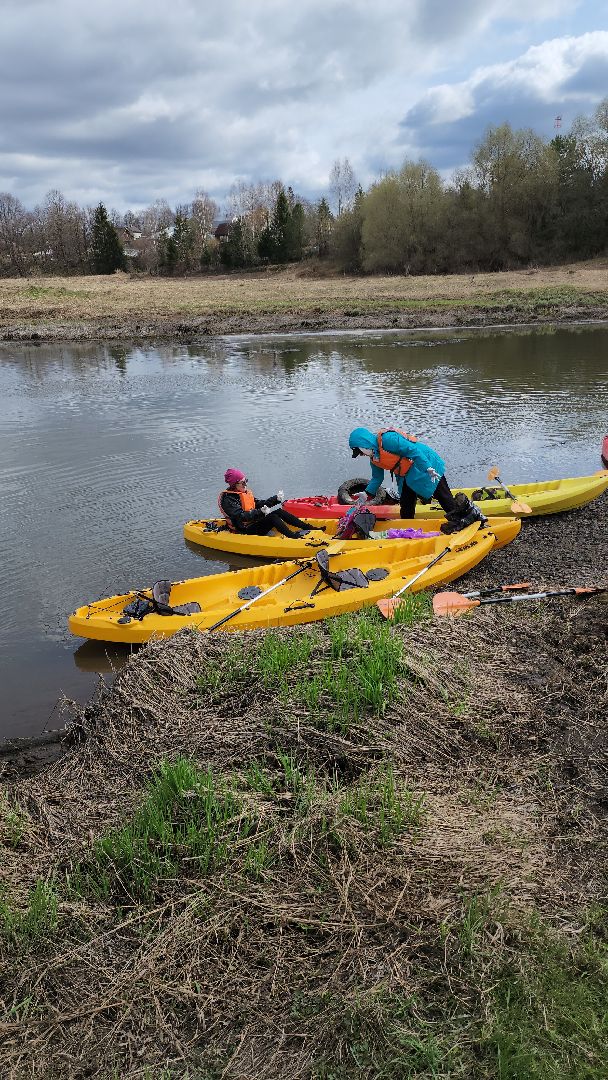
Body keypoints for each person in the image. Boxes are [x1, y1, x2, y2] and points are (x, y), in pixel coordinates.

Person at [347, 427, 487, 531]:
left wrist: (428, 468)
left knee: (443, 496)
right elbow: (377, 478)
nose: (360, 455)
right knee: (406, 503)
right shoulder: (374, 458)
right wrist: (366, 494)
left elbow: (413, 451)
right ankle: (408, 527)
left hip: (424, 463)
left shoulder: (388, 440)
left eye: (359, 451)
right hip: (407, 474)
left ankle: (468, 522)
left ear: (364, 443)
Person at [219, 469, 317, 538]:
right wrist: (260, 512)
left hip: (254, 522)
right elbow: (241, 516)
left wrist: (276, 499)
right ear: (234, 485)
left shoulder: (243, 493)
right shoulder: (228, 500)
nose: (246, 485)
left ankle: (308, 527)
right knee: (272, 517)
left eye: (246, 481)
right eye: (243, 483)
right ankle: (293, 537)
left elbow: (259, 503)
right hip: (244, 529)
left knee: (279, 512)